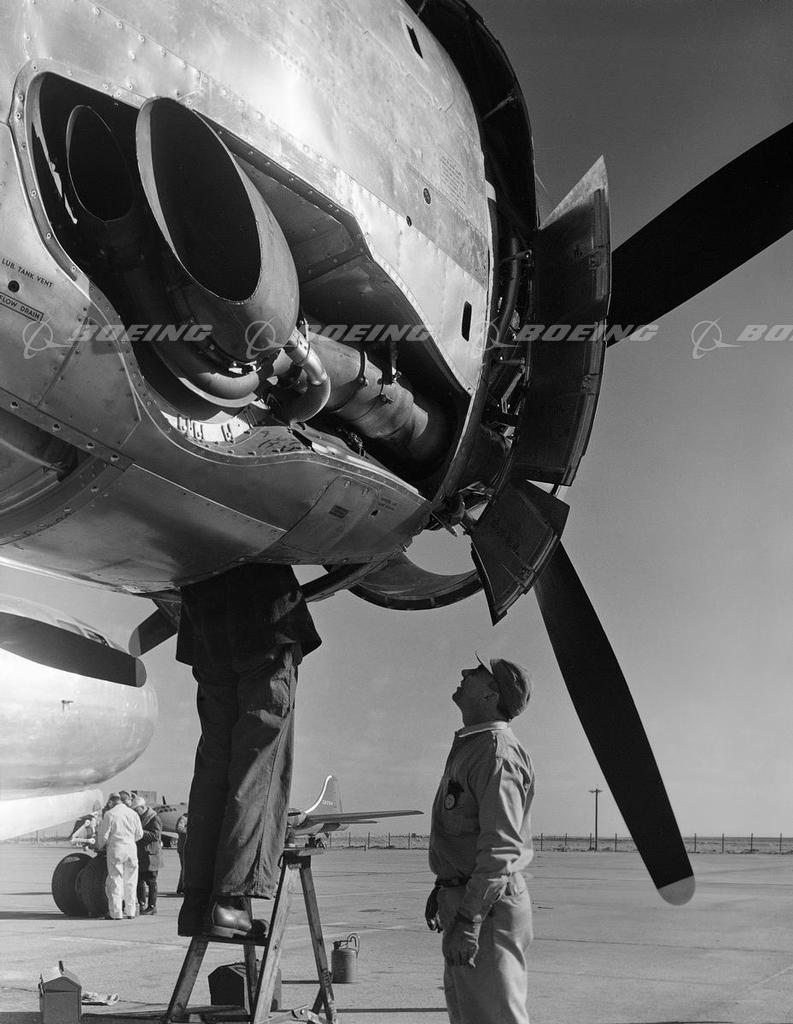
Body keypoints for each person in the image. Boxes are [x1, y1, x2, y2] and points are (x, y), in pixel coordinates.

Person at [175, 564, 321, 938]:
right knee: (259, 767)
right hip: (265, 622)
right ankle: (229, 901)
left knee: (212, 767)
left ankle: (196, 903)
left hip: (206, 628)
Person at [426, 655, 535, 1024]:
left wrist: (470, 920)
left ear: (491, 696)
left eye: (476, 673)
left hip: (487, 911)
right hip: (467, 902)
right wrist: (447, 888)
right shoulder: (474, 745)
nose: (464, 673)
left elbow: (500, 849)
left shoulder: (496, 754)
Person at [95, 792, 143, 920]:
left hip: (116, 849)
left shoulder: (110, 814)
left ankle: (116, 913)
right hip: (131, 849)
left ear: (111, 802)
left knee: (115, 880)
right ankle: (131, 912)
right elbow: (139, 834)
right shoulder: (133, 813)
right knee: (131, 881)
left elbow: (104, 836)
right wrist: (129, 840)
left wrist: (100, 845)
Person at [132, 795, 162, 915]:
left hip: (151, 855)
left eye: (136, 809)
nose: (135, 812)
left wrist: (141, 832)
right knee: (139, 880)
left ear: (142, 807)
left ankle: (152, 906)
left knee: (151, 881)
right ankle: (142, 904)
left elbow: (155, 836)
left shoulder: (154, 818)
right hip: (140, 854)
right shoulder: (138, 818)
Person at [175, 813, 188, 895]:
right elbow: (179, 829)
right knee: (185, 868)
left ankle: (181, 887)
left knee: (186, 868)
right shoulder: (183, 818)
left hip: (189, 847)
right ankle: (183, 887)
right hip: (183, 848)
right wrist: (190, 830)